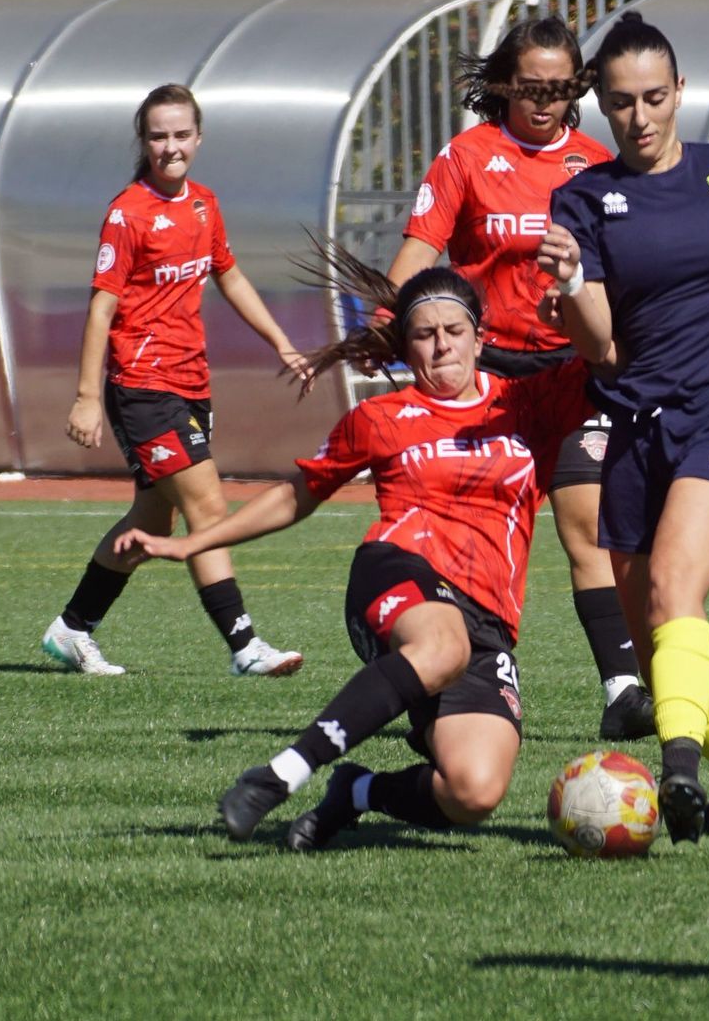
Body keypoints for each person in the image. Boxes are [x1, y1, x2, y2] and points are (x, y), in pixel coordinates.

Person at [116, 260, 595, 848]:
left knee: (473, 792)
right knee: (443, 646)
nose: (441, 344)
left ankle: (357, 791)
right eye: (424, 333)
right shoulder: (380, 418)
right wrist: (194, 540)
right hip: (400, 569)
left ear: (480, 338)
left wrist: (573, 298)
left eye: (453, 330)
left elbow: (613, 356)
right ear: (405, 347)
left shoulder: (529, 406)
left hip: (488, 615)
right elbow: (297, 495)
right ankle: (280, 774)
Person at [536, 13, 709, 844]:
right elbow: (602, 344)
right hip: (634, 432)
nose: (641, 117)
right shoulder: (582, 202)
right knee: (662, 639)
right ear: (601, 109)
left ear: (681, 90)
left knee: (675, 590)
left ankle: (679, 773)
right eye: (621, 104)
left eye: (655, 97)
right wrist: (574, 279)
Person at [385, 16, 654, 743]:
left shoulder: (598, 166)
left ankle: (624, 686)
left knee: (584, 524)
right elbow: (415, 260)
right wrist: (394, 322)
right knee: (461, 541)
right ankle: (441, 682)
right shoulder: (467, 157)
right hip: (487, 382)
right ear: (504, 85)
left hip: (570, 375)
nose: (545, 102)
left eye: (561, 89)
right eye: (531, 88)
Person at [42, 83, 306, 678]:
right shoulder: (127, 213)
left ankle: (72, 628)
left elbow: (230, 277)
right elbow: (101, 308)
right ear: (144, 141)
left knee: (153, 522)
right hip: (142, 386)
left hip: (191, 383)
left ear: (198, 138)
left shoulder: (204, 204)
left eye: (181, 134)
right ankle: (245, 648)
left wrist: (282, 343)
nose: (170, 146)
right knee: (209, 507)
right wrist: (87, 398)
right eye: (158, 136)